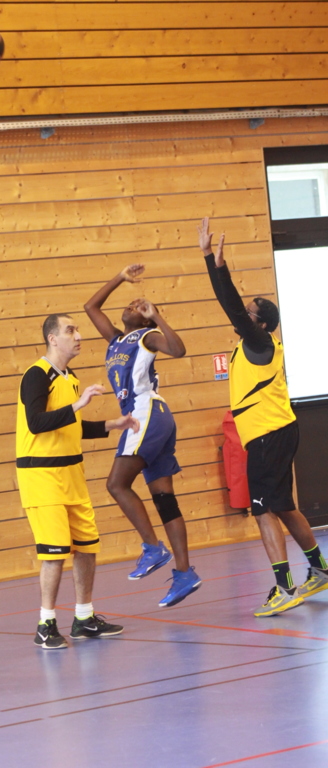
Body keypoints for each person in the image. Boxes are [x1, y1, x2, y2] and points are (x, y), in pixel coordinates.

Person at [198, 216, 328, 617]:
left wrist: (212, 261)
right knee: (283, 504)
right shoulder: (253, 347)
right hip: (276, 430)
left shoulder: (260, 343)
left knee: (262, 508)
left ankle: (285, 587)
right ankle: (320, 570)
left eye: (250, 313)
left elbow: (232, 308)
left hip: (269, 434)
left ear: (262, 324)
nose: (243, 315)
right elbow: (237, 311)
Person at [16, 313, 138, 649]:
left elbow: (72, 426)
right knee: (54, 552)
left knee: (86, 547)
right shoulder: (36, 375)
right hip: (42, 475)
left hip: (72, 474)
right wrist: (79, 403)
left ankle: (84, 618)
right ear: (53, 338)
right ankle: (45, 624)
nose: (79, 335)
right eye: (70, 330)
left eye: (78, 329)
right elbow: (37, 422)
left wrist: (113, 424)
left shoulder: (70, 378)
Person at [84, 267, 202, 607]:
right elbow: (91, 307)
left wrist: (157, 317)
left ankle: (153, 548)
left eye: (139, 305)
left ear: (145, 318)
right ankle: (184, 573)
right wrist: (120, 277)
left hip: (146, 412)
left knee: (116, 484)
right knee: (164, 499)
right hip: (155, 418)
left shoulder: (147, 337)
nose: (132, 305)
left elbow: (178, 350)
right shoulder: (115, 340)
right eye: (132, 303)